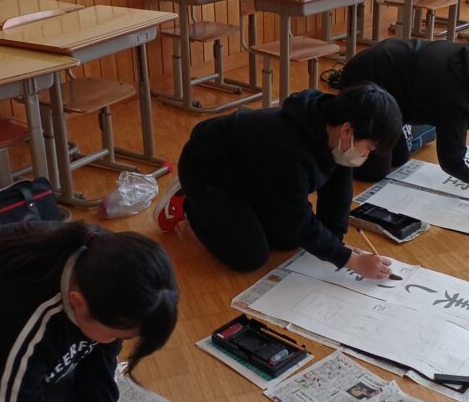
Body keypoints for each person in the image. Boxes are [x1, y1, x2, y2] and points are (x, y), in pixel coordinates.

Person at [0, 221, 178, 402]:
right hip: (4, 348)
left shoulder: (107, 268)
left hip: (16, 360)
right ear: (77, 303)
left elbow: (99, 353)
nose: (116, 342)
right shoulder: (24, 317)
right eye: (116, 335)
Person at [153, 83, 402, 277]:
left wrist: (336, 243)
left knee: (289, 240)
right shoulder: (289, 147)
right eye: (369, 148)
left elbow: (338, 192)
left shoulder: (335, 131)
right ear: (347, 130)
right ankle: (190, 204)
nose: (366, 156)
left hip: (254, 173)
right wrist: (352, 260)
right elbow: (296, 218)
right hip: (208, 169)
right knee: (249, 256)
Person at [340, 38, 469, 182]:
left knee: (400, 158)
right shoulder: (457, 97)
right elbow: (452, 160)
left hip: (400, 88)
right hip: (366, 79)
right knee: (375, 172)